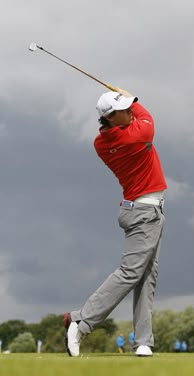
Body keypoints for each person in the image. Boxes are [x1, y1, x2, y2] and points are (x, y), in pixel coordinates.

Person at [64, 87, 167, 357]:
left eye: (129, 106)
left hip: (143, 211)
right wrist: (131, 94)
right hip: (144, 212)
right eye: (123, 109)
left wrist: (124, 98)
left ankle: (143, 341)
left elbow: (133, 117)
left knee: (146, 276)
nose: (130, 110)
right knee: (131, 272)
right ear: (110, 117)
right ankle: (81, 321)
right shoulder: (137, 135)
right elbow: (148, 119)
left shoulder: (102, 142)